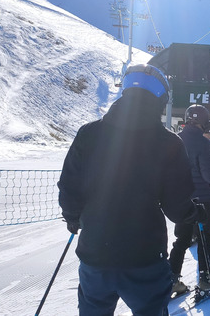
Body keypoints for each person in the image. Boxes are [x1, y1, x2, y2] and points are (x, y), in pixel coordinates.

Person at [58, 64, 199, 315]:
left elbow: (70, 184)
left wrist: (72, 216)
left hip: (96, 253)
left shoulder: (89, 133)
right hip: (143, 258)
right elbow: (177, 207)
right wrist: (193, 213)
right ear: (161, 100)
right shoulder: (168, 143)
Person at [170, 104, 210, 294]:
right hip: (202, 200)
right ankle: (205, 280)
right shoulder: (203, 142)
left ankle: (171, 279)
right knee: (204, 240)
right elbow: (209, 176)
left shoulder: (175, 139)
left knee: (181, 239)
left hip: (181, 199)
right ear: (205, 121)